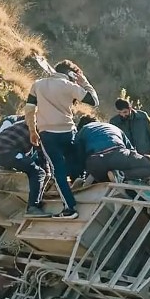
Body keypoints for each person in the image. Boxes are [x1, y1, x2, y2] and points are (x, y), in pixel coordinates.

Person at [24, 59, 99, 219]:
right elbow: (94, 101)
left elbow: (29, 109)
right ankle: (80, 181)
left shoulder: (38, 84)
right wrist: (84, 83)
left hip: (47, 134)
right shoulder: (69, 86)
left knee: (58, 171)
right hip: (68, 131)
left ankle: (69, 208)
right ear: (70, 74)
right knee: (75, 159)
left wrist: (32, 130)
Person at [0, 121, 50, 218]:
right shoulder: (41, 127)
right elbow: (43, 153)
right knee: (39, 172)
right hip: (7, 151)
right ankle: (33, 207)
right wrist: (48, 173)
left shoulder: (26, 122)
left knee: (25, 167)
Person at [75, 116, 150, 184]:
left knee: (98, 176)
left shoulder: (83, 131)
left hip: (96, 163)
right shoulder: (113, 127)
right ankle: (121, 175)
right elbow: (131, 150)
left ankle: (84, 183)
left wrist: (75, 176)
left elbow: (78, 157)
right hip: (118, 155)